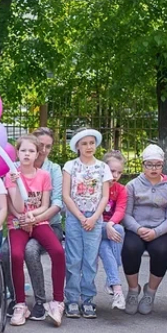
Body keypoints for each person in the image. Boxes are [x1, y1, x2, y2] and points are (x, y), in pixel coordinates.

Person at [7, 135, 67, 327]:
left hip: (38, 222)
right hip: (18, 223)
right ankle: (20, 304)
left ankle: (57, 302)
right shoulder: (11, 175)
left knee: (58, 251)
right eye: (23, 150)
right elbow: (14, 206)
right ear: (17, 152)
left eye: (31, 151)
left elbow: (44, 204)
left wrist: (34, 217)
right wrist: (17, 186)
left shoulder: (44, 175)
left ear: (37, 154)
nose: (27, 154)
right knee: (16, 255)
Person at [121, 144, 167, 316]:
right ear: (143, 165)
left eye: (157, 165)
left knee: (161, 250)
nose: (153, 168)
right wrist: (138, 229)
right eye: (149, 164)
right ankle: (133, 290)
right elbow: (126, 214)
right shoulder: (132, 186)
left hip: (160, 230)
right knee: (131, 248)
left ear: (162, 165)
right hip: (136, 228)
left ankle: (150, 292)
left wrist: (156, 232)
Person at [62, 129, 112, 319]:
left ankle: (88, 299)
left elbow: (105, 195)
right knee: (74, 258)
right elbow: (66, 195)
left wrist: (93, 218)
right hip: (76, 217)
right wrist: (81, 217)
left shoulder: (102, 168)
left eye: (91, 143)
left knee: (90, 260)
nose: (89, 147)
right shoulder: (70, 166)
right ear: (78, 146)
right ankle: (72, 299)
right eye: (84, 144)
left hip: (94, 217)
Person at [23, 127, 64, 321]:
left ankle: (41, 301)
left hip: (49, 225)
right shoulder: (18, 165)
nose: (44, 150)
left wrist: (37, 219)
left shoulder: (53, 169)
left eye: (49, 146)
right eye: (41, 145)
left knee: (31, 250)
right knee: (6, 252)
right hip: (22, 224)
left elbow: (57, 202)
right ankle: (14, 299)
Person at [99, 151, 129, 310]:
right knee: (119, 230)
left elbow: (120, 210)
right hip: (93, 226)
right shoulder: (96, 186)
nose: (116, 175)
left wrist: (110, 224)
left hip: (109, 229)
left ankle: (114, 285)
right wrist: (109, 225)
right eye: (112, 171)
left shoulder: (121, 189)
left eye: (119, 172)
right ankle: (114, 284)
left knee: (105, 245)